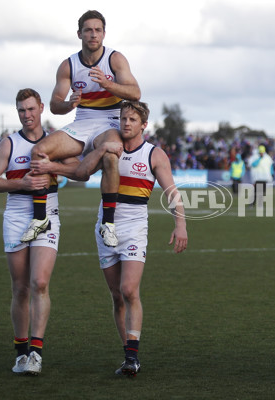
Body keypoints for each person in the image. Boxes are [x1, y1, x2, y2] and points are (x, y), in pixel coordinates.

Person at [72, 100, 188, 377]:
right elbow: (80, 172)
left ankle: (132, 356)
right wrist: (99, 150)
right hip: (106, 225)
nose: (126, 123)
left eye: (132, 120)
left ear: (143, 125)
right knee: (116, 295)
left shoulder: (154, 154)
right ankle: (128, 355)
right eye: (123, 118)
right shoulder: (109, 145)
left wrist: (180, 225)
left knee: (129, 289)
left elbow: (172, 192)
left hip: (135, 226)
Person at [0, 89, 81, 375]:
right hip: (16, 216)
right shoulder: (9, 144)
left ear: (41, 108)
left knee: (39, 283)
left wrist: (54, 167)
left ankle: (36, 352)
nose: (27, 115)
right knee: (21, 288)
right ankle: (21, 351)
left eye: (30, 109)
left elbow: (79, 169)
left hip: (48, 216)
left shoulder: (57, 142)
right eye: (21, 111)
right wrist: (21, 185)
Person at [21, 9, 141, 247]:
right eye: (88, 30)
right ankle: (40, 218)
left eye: (97, 30)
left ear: (104, 34)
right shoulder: (69, 65)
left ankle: (108, 223)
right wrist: (69, 103)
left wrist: (107, 83)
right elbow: (55, 105)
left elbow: (135, 93)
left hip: (108, 121)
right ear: (80, 34)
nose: (93, 35)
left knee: (111, 155)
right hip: (82, 121)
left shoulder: (114, 59)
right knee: (38, 151)